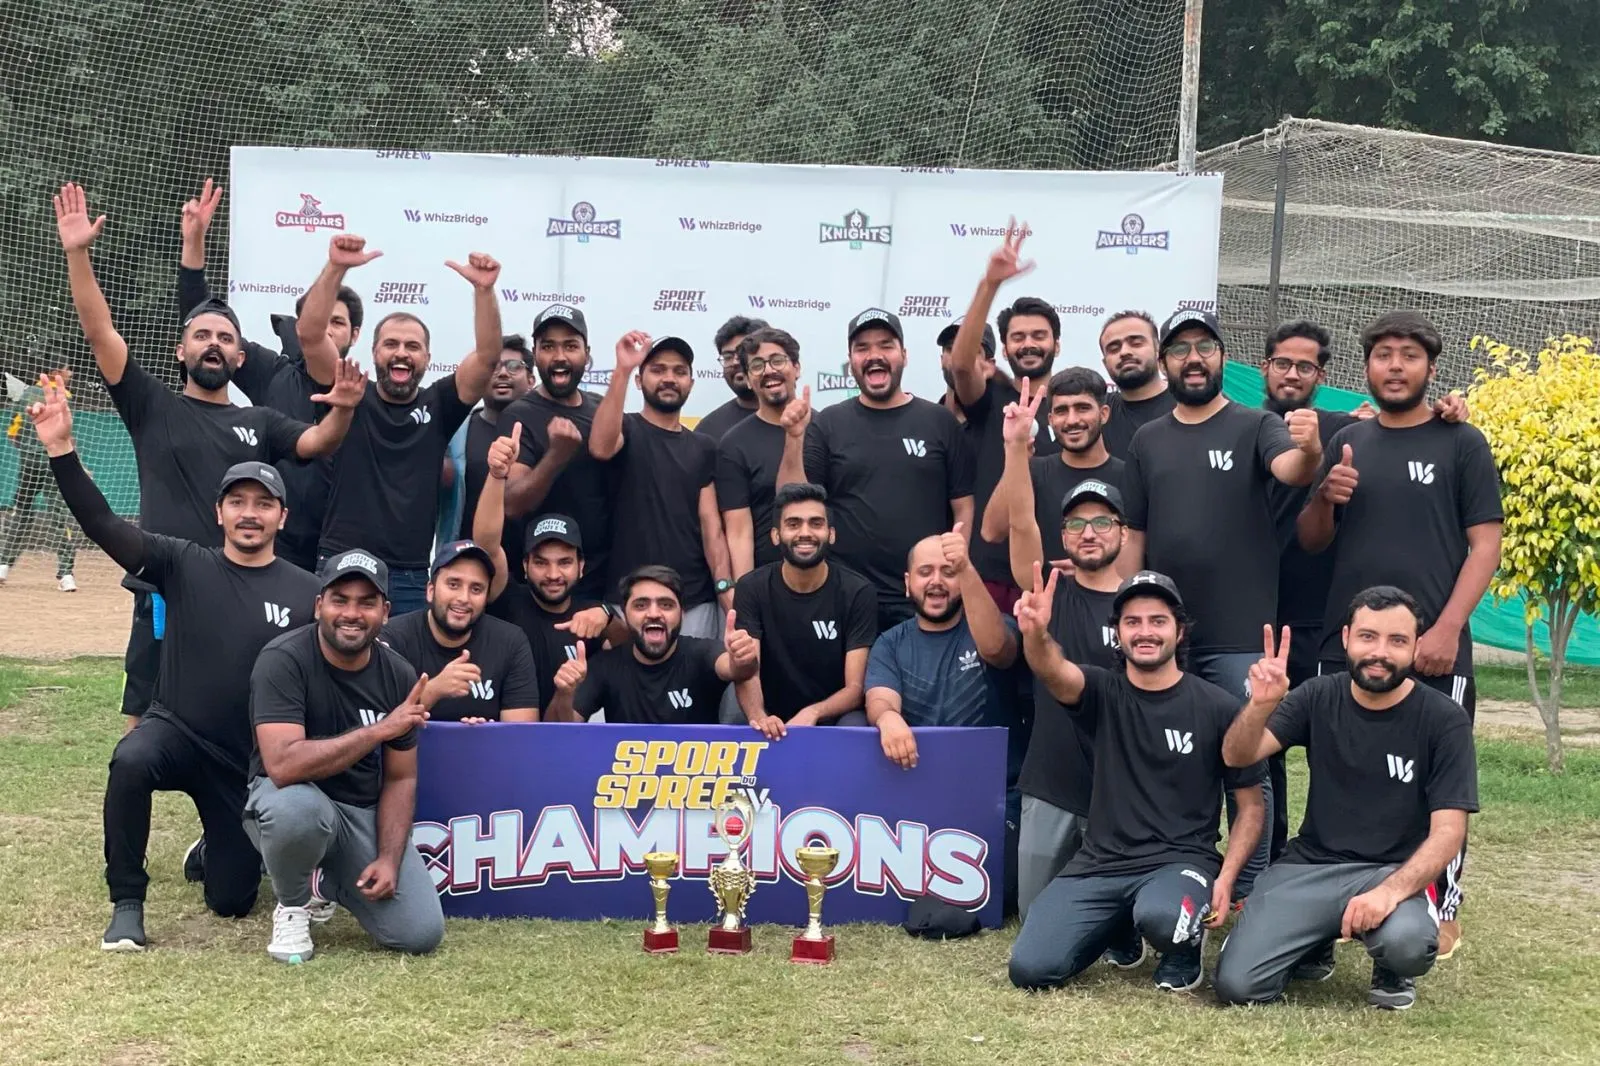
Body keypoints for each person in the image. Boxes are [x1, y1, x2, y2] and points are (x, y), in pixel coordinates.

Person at [54, 182, 363, 733]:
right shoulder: (151, 405)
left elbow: (320, 443)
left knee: (246, 717)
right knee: (143, 727)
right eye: (201, 335)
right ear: (182, 350)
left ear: (240, 357)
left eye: (224, 336)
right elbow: (100, 332)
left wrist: (341, 409)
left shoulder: (260, 422)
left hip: (242, 592)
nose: (213, 342)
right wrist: (78, 254)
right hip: (164, 590)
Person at [28, 376, 321, 950]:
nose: (250, 514)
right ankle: (127, 902)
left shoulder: (307, 592)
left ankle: (215, 847)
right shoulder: (182, 562)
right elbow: (103, 525)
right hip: (177, 731)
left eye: (264, 504)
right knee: (131, 759)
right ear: (219, 512)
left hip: (240, 763)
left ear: (282, 517)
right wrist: (62, 450)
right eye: (238, 502)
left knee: (232, 902)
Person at [1298, 310, 1502, 960]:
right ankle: (1335, 899)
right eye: (1383, 354)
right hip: (1347, 652)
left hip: (1434, 650)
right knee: (1340, 777)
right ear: (1367, 366)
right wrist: (1325, 497)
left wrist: (1445, 629)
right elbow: (1312, 541)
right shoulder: (1349, 440)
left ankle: (1441, 906)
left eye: (1408, 355)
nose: (1394, 366)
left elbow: (1486, 545)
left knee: (1438, 785)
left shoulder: (1461, 441)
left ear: (1431, 368)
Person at [1120, 307, 1326, 893]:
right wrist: (1125, 615)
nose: (1193, 359)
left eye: (1204, 347)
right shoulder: (1147, 439)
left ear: (1223, 359)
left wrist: (1311, 451)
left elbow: (1292, 469)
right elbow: (1135, 536)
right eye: (1180, 349)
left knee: (1248, 762)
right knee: (1171, 758)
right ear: (1165, 362)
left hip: (1240, 637)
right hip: (1166, 640)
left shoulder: (1255, 425)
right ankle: (1176, 873)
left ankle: (1251, 889)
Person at [1215, 587, 1478, 1010]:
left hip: (1391, 871)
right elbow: (1237, 755)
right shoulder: (1317, 695)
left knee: (1407, 944)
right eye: (1368, 636)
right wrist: (1260, 706)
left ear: (1415, 647)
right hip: (1311, 865)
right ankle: (1314, 939)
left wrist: (1389, 893)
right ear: (1345, 639)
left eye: (1397, 640)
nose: (1380, 653)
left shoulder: (1443, 720)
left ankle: (1390, 964)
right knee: (1237, 986)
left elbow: (1449, 832)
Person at [1008, 569, 1266, 994]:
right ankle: (1118, 926)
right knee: (1030, 968)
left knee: (1164, 918)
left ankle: (1182, 950)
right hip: (1101, 863)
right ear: (1118, 633)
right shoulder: (1101, 691)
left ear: (1179, 631)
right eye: (1133, 622)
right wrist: (1036, 635)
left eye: (1157, 621)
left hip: (1182, 861)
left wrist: (1226, 879)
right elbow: (1053, 670)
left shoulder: (1218, 707)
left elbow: (1251, 806)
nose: (1145, 631)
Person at [246, 551, 446, 963]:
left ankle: (327, 883)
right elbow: (283, 766)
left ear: (385, 612)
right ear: (319, 605)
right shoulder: (283, 659)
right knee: (298, 811)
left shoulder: (398, 674)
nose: (352, 614)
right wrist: (379, 730)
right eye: (340, 600)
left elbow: (401, 778)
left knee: (420, 932)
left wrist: (389, 858)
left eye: (366, 602)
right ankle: (293, 905)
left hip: (359, 813)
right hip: (287, 800)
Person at [299, 233, 505, 615]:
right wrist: (336, 267)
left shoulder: (440, 404)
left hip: (408, 576)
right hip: (341, 561)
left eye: (413, 346)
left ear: (428, 358)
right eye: (391, 344)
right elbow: (310, 335)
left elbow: (489, 356)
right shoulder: (349, 391)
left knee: (404, 659)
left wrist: (484, 292)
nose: (402, 353)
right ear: (374, 351)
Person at [176, 178, 362, 572]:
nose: (326, 330)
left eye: (338, 323)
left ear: (355, 334)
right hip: (274, 546)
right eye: (318, 320)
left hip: (343, 548)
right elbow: (203, 323)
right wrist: (193, 246)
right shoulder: (268, 371)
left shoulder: (370, 393)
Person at [993, 388, 1127, 920]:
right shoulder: (1048, 593)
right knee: (1036, 922)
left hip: (1122, 790)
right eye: (1075, 524)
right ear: (1063, 536)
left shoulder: (1146, 605)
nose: (1088, 533)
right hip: (1051, 782)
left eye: (1102, 522)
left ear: (1123, 532)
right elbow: (1021, 522)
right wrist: (1015, 447)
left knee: (1120, 926)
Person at [779, 309, 974, 633]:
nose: (874, 355)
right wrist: (794, 438)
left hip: (923, 597)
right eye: (862, 348)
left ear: (904, 355)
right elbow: (791, 502)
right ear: (851, 361)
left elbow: (963, 507)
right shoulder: (828, 423)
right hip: (847, 597)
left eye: (885, 345)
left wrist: (953, 571)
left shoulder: (939, 421)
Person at [945, 222, 1060, 610]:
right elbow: (962, 366)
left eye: (1039, 335)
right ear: (1004, 350)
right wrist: (989, 285)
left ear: (1057, 345)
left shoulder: (1074, 407)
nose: (1028, 344)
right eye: (1018, 337)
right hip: (990, 572)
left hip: (1055, 571)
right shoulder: (991, 398)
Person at [473, 425, 625, 716]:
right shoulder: (507, 600)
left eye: (564, 562)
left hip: (565, 735)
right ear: (525, 566)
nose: (553, 574)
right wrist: (497, 475)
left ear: (581, 567)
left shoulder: (590, 617)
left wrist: (607, 616)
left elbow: (635, 649)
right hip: (503, 733)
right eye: (541, 562)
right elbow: (486, 546)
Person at [590, 332, 735, 638]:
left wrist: (725, 589)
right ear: (639, 380)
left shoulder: (704, 446)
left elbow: (712, 530)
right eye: (658, 370)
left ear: (691, 383)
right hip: (628, 600)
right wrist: (622, 369)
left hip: (694, 603)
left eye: (679, 371)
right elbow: (601, 447)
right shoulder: (625, 427)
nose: (669, 378)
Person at [731, 483, 877, 738]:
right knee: (737, 717)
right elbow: (748, 671)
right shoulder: (751, 587)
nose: (805, 533)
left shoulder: (858, 591)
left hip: (832, 714)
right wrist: (760, 717)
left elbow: (855, 688)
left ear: (831, 534)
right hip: (772, 713)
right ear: (776, 535)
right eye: (793, 524)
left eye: (816, 523)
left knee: (856, 724)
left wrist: (814, 712)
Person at [499, 305, 615, 601]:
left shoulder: (601, 409)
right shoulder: (518, 415)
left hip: (599, 583)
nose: (559, 356)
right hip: (536, 588)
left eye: (570, 346)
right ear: (535, 354)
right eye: (548, 346)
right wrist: (556, 456)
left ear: (587, 354)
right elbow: (511, 503)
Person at [548, 566, 760, 725]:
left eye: (666, 605)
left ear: (682, 613)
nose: (654, 613)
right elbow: (559, 733)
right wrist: (564, 694)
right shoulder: (605, 665)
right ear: (625, 613)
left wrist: (742, 658)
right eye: (641, 605)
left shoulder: (701, 653)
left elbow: (736, 669)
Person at [379, 540, 540, 723]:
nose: (464, 598)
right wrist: (434, 690)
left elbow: (521, 733)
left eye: (476, 589)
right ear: (430, 590)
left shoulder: (510, 642)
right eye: (453, 585)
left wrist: (488, 733)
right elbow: (374, 725)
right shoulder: (393, 637)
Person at [981, 368, 1123, 567]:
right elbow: (992, 532)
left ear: (1104, 414)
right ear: (1050, 419)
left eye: (1082, 408)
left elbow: (1137, 546)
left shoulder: (1128, 476)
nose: (1072, 420)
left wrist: (1089, 571)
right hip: (1042, 586)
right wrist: (1016, 454)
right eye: (1061, 411)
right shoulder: (1034, 471)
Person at [437, 335, 533, 565]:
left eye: (513, 366)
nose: (503, 373)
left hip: (534, 569)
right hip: (466, 567)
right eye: (494, 367)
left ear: (531, 379)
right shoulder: (454, 432)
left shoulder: (544, 431)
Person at [717, 327, 804, 578]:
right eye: (757, 365)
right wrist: (744, 590)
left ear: (796, 368)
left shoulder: (826, 429)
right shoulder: (734, 444)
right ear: (747, 378)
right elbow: (738, 532)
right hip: (765, 582)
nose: (768, 371)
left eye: (777, 360)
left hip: (826, 579)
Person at [1, 363, 78, 590]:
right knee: (58, 515)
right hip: (55, 464)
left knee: (21, 513)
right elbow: (66, 435)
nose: (71, 373)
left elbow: (12, 433)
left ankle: (3, 565)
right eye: (67, 369)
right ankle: (66, 574)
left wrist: (28, 451)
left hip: (29, 464)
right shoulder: (63, 395)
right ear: (56, 372)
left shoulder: (25, 394)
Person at [1097, 309, 1174, 461]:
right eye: (1113, 348)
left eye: (1136, 343)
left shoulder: (1192, 404)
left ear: (1158, 350)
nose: (1124, 352)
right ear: (1105, 363)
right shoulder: (1097, 414)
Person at [694, 315, 768, 440]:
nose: (735, 362)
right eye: (728, 357)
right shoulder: (708, 430)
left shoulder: (799, 420)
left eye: (743, 353)